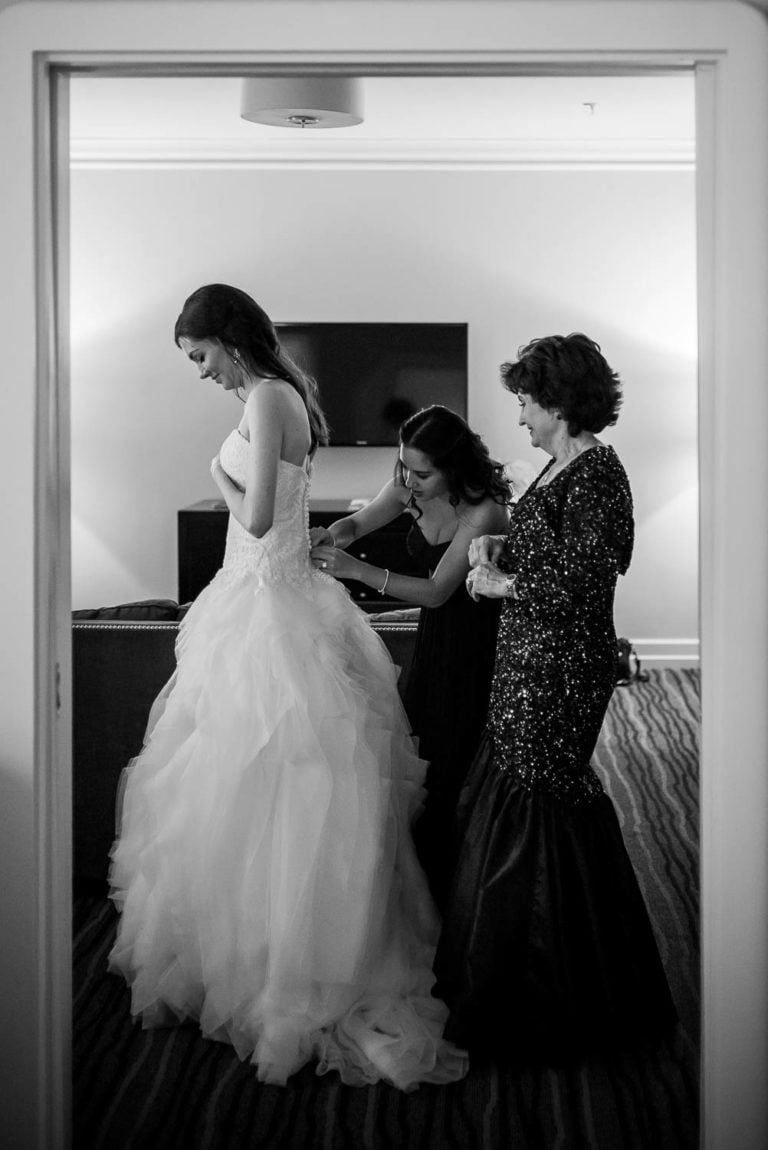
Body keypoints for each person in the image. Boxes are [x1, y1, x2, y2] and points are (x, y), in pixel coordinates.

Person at [107, 284, 468, 1091]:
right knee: (246, 776)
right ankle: (255, 944)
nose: (197, 371)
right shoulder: (277, 392)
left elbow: (265, 517)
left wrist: (215, 473)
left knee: (267, 776)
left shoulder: (270, 395)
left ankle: (286, 960)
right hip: (262, 597)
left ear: (228, 341)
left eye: (197, 355)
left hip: (267, 598)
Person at [433, 333, 677, 1063]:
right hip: (528, 660)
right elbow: (552, 551)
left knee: (542, 798)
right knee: (527, 791)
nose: (521, 417)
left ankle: (558, 996)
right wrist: (495, 551)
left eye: (527, 402)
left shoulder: (599, 473)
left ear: (562, 402)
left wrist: (500, 584)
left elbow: (587, 580)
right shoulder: (562, 467)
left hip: (562, 668)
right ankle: (524, 979)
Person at [309, 405, 511, 909]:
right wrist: (330, 536)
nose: (409, 481)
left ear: (454, 467)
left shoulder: (484, 511)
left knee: (454, 766)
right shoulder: (406, 485)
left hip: (475, 647)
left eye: (422, 473)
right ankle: (423, 888)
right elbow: (358, 522)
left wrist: (357, 571)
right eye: (404, 467)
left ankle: (459, 894)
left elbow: (438, 591)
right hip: (435, 642)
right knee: (421, 755)